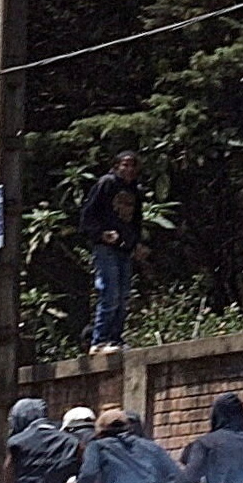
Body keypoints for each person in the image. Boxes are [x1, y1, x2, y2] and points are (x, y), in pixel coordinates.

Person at [80, 151, 148, 354]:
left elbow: (135, 221)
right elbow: (87, 215)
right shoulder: (106, 184)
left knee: (123, 295)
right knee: (109, 293)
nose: (129, 169)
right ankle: (99, 340)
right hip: (106, 247)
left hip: (124, 248)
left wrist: (136, 243)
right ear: (116, 166)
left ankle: (115, 339)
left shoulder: (135, 191)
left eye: (133, 165)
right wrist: (101, 234)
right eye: (125, 165)